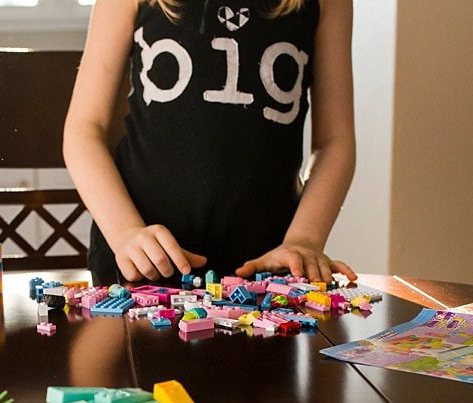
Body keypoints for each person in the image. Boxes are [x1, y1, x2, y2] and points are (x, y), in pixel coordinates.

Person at [64, 0, 358, 286]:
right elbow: (84, 129)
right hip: (143, 264)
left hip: (269, 265)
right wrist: (125, 232)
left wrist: (304, 239)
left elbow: (334, 141)